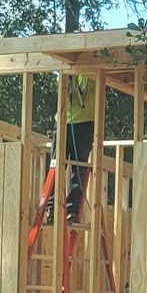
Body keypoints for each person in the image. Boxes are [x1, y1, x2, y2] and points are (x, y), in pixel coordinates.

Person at [49, 71, 96, 223]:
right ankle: (52, 208)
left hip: (84, 122)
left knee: (78, 168)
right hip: (64, 120)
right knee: (56, 165)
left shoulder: (93, 62)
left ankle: (72, 211)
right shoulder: (64, 65)